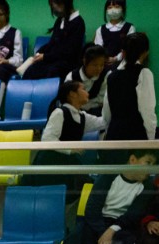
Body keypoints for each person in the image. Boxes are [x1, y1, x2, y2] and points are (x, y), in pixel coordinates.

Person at [27, 79, 107, 199]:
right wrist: (70, 149)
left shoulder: (82, 116)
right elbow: (47, 139)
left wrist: (108, 101)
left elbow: (104, 122)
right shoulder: (59, 113)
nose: (87, 92)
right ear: (72, 94)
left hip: (67, 164)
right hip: (50, 164)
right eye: (83, 89)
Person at [102, 32, 157, 164]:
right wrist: (150, 140)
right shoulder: (144, 73)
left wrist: (108, 134)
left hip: (114, 134)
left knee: (115, 173)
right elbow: (147, 110)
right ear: (145, 53)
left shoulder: (111, 75)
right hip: (136, 134)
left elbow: (106, 112)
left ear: (123, 53)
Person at [21, 0, 85, 80]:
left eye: (53, 6)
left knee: (52, 72)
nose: (53, 9)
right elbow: (52, 43)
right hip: (54, 60)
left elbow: (69, 52)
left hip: (67, 64)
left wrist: (45, 56)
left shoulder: (78, 23)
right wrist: (39, 53)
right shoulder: (60, 20)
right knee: (31, 70)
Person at [67, 45, 109, 116]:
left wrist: (83, 103)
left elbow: (102, 99)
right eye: (95, 65)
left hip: (97, 111)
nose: (99, 69)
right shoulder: (72, 77)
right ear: (85, 61)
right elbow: (69, 101)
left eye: (102, 65)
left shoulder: (106, 75)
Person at [92, 0, 135, 66]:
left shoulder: (130, 28)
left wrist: (116, 58)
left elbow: (130, 49)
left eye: (117, 6)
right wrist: (105, 59)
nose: (113, 10)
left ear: (123, 9)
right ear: (106, 10)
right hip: (104, 64)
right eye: (110, 7)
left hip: (123, 64)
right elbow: (98, 49)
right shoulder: (100, 29)